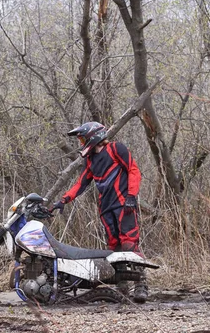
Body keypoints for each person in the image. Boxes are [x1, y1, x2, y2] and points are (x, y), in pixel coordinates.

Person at [48, 121, 148, 303]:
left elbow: (134, 170)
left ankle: (141, 284)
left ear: (93, 136)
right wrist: (63, 200)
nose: (81, 143)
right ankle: (122, 286)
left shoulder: (116, 148)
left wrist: (132, 196)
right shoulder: (90, 160)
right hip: (106, 209)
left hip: (124, 205)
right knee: (114, 248)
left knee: (129, 245)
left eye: (82, 139)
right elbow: (81, 183)